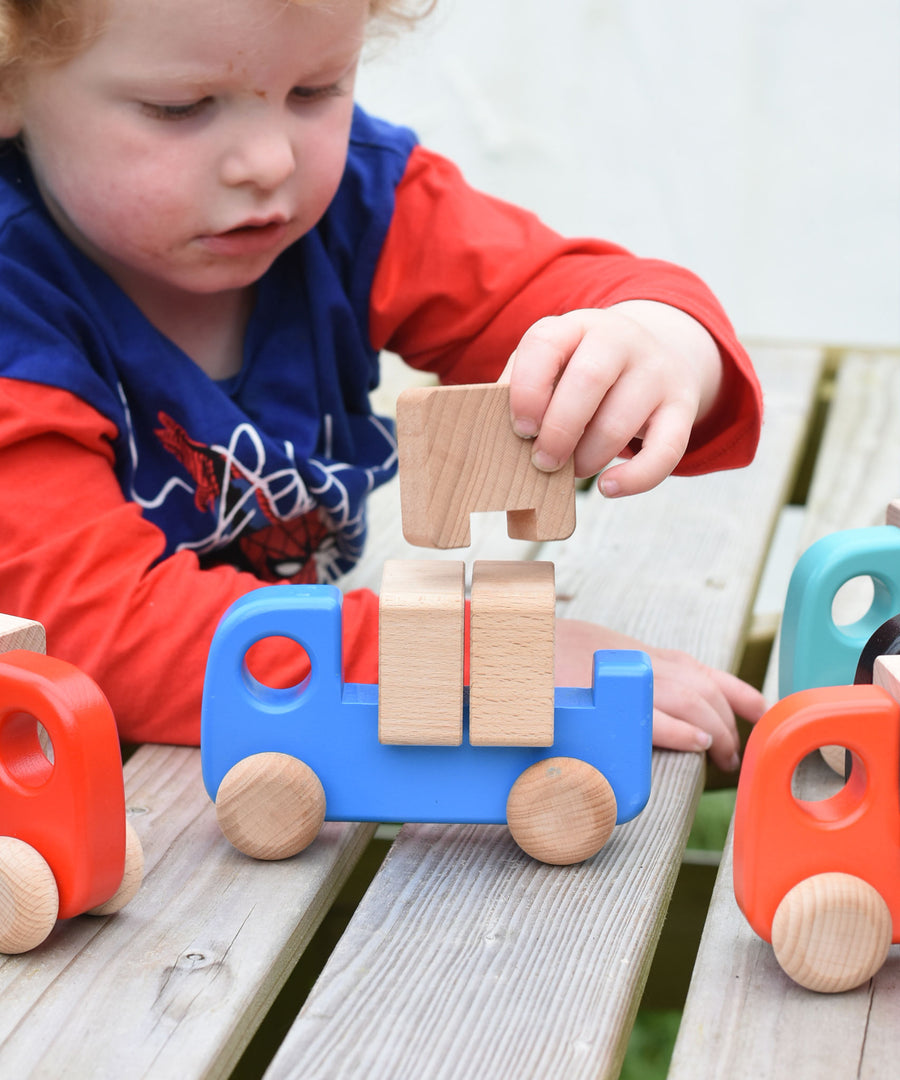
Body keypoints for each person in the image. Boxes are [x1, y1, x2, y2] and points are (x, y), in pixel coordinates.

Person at [0, 0, 765, 768]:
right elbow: (95, 635)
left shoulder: (355, 205)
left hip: (249, 741)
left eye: (317, 89)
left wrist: (662, 345)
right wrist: (480, 660)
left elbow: (553, 291)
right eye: (181, 107)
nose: (270, 161)